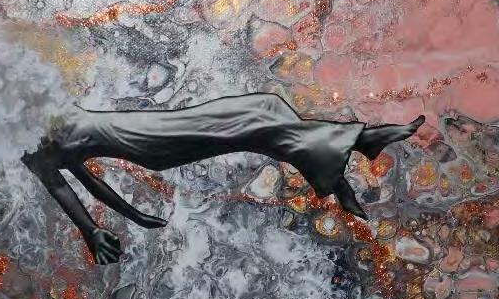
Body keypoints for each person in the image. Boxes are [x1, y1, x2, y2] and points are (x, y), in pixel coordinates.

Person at [22, 92, 425, 264]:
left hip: (150, 127)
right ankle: (359, 144)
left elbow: (84, 178)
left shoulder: (35, 102)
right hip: (149, 143)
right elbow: (72, 185)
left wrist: (130, 216)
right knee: (252, 128)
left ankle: (340, 173)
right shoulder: (26, 147)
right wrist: (94, 229)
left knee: (266, 106)